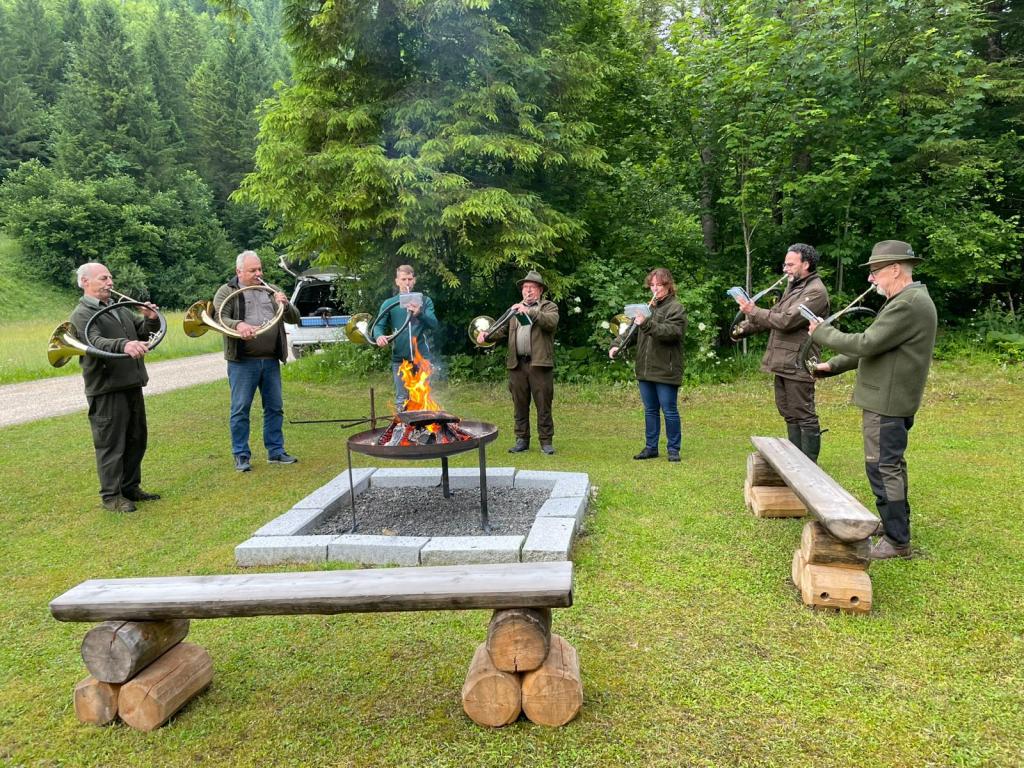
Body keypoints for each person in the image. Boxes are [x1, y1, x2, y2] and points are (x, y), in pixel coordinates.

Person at [809, 240, 937, 560]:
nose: (871, 278)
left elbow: (866, 343)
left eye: (875, 271)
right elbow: (877, 348)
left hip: (887, 403)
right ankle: (894, 528)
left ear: (894, 269)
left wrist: (822, 332)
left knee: (883, 468)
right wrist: (832, 366)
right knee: (889, 466)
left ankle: (897, 541)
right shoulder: (907, 300)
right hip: (890, 399)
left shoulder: (908, 304)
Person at [70, 263, 162, 512]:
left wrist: (150, 319)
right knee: (111, 445)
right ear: (86, 282)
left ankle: (130, 488)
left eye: (110, 277)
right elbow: (94, 341)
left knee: (136, 439)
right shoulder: (81, 313)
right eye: (104, 278)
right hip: (106, 388)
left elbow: (142, 333)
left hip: (131, 382)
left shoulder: (117, 308)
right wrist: (123, 345)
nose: (110, 282)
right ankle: (111, 497)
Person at [731, 243, 831, 462]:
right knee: (788, 411)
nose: (785, 269)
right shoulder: (793, 286)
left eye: (790, 264)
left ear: (806, 264)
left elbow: (786, 321)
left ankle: (809, 465)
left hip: (800, 361)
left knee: (803, 413)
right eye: (785, 264)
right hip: (784, 361)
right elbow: (774, 314)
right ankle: (796, 461)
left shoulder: (815, 291)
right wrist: (742, 329)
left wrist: (752, 310)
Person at [214, 250, 301, 472]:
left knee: (275, 408)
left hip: (270, 360)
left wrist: (285, 304)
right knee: (240, 409)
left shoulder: (271, 289)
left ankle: (276, 452)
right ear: (239, 271)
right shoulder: (227, 291)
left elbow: (295, 317)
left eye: (260, 269)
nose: (258, 273)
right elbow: (219, 317)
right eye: (253, 270)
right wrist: (239, 325)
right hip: (242, 362)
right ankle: (241, 455)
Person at [610, 268, 687, 462]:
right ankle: (651, 448)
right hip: (645, 369)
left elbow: (672, 332)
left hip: (666, 368)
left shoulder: (676, 308)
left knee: (669, 410)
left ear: (668, 286)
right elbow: (631, 332)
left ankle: (673, 449)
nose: (655, 289)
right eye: (652, 285)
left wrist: (646, 323)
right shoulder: (647, 308)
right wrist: (616, 345)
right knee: (650, 410)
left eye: (659, 285)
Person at [479, 270, 559, 455]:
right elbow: (500, 329)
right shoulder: (514, 309)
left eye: (532, 287)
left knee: (543, 404)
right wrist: (486, 335)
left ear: (540, 290)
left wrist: (529, 311)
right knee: (519, 404)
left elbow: (550, 323)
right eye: (525, 287)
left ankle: (546, 441)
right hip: (517, 364)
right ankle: (521, 440)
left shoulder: (549, 307)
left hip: (539, 364)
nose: (528, 291)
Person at [371, 264, 438, 410]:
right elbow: (378, 325)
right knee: (402, 400)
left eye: (409, 279)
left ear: (414, 280)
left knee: (423, 398)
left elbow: (434, 324)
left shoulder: (425, 301)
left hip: (422, 358)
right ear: (397, 281)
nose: (407, 282)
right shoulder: (389, 303)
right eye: (403, 279)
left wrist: (420, 314)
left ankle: (425, 424)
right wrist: (379, 336)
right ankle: (402, 424)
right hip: (400, 359)